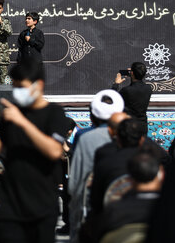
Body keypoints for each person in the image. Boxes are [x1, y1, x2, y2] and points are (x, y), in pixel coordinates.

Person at [0, 61, 67, 243]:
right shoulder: (12, 113)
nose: (17, 91)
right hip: (10, 204)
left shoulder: (54, 113)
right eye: (15, 86)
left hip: (42, 205)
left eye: (22, 87)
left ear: (39, 85)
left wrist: (22, 122)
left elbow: (54, 151)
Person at [67, 90, 125, 242]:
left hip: (89, 207)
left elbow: (76, 179)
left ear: (92, 115)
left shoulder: (85, 138)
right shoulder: (129, 138)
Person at [112, 62, 153, 132]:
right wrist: (133, 73)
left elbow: (112, 99)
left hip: (129, 126)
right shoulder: (148, 88)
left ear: (132, 73)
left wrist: (116, 84)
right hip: (143, 125)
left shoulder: (126, 90)